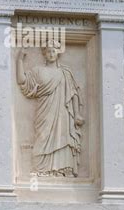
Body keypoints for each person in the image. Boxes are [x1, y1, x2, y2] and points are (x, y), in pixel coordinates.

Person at [17, 44, 84, 177]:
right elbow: (22, 81)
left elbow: (73, 94)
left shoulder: (65, 73)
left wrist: (77, 114)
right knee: (42, 138)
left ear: (58, 53)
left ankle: (63, 169)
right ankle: (41, 169)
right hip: (44, 112)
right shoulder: (38, 71)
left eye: (53, 51)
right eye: (48, 51)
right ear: (44, 53)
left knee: (62, 137)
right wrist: (19, 60)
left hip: (63, 114)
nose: (51, 53)